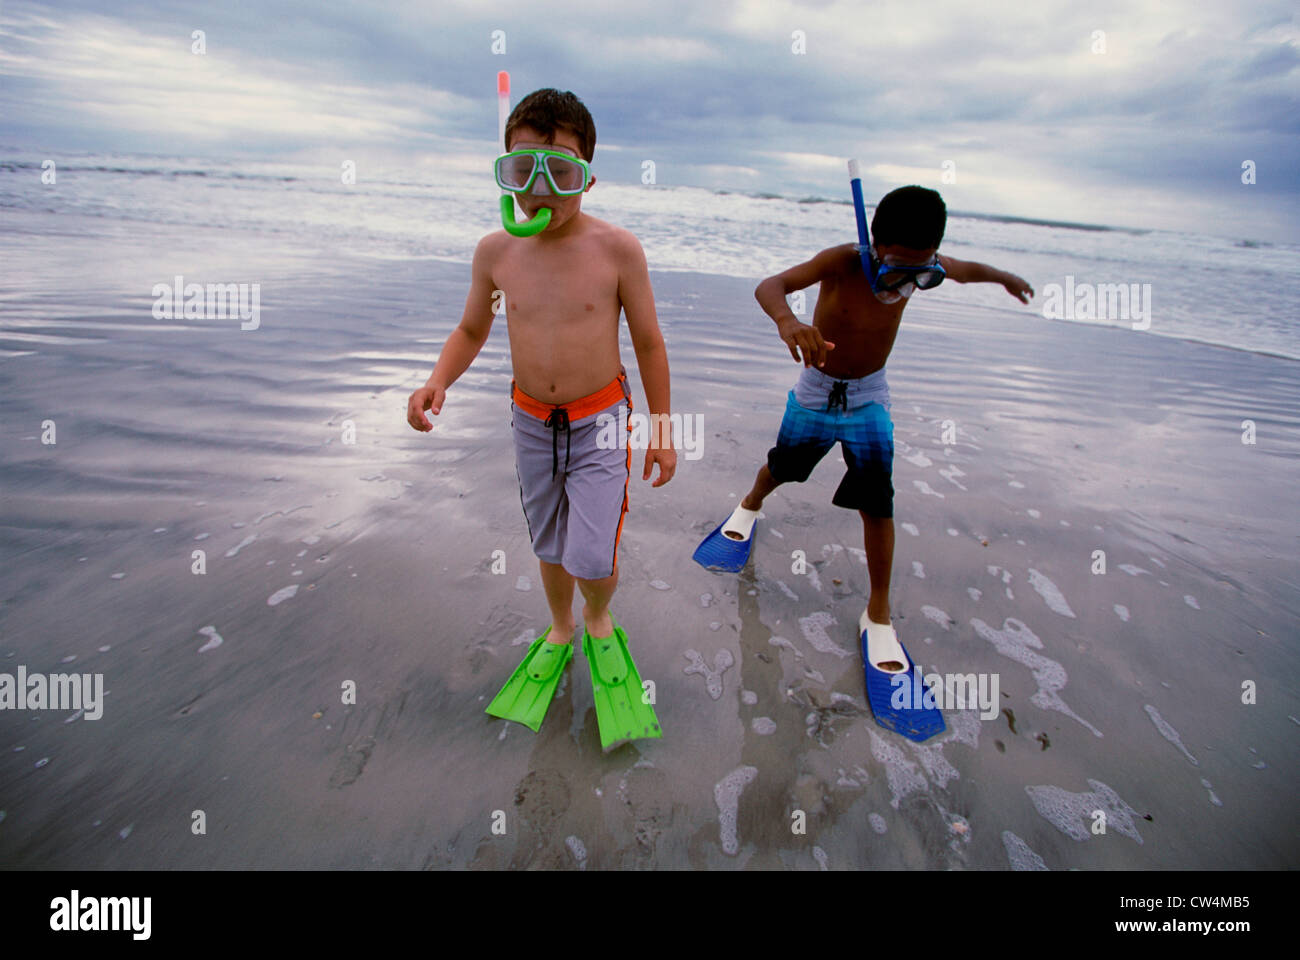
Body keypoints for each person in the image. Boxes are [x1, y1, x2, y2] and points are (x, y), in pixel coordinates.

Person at [692, 184, 1032, 740]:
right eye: (898, 270)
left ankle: (878, 613)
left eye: (922, 275)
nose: (908, 285)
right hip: (817, 386)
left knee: (877, 500)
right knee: (785, 466)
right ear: (874, 247)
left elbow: (964, 268)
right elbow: (770, 284)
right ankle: (750, 505)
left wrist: (1004, 278)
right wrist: (787, 321)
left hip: (870, 397)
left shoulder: (925, 267)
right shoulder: (844, 262)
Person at [405, 88, 675, 749]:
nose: (541, 188)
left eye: (563, 171)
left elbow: (647, 342)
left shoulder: (617, 250)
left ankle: (600, 616)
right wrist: (438, 380)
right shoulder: (497, 253)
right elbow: (471, 329)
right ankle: (561, 627)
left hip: (601, 418)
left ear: (589, 175)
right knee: (549, 539)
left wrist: (662, 427)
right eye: (524, 169)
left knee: (590, 547)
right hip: (529, 420)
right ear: (506, 173)